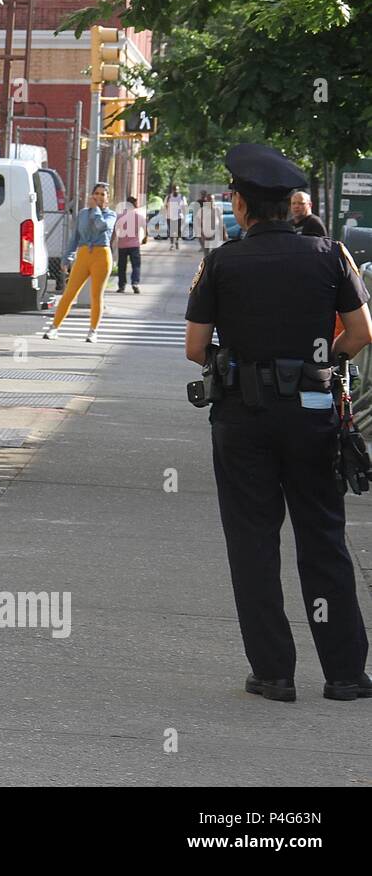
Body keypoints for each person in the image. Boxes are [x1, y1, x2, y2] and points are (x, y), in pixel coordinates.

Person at [185, 142, 372, 703]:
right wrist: (321, 361)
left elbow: (196, 349)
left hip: (242, 418)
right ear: (290, 205)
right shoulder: (330, 254)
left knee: (253, 543)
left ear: (241, 207)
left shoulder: (221, 261)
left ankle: (274, 673)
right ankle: (345, 674)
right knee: (323, 538)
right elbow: (362, 333)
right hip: (313, 413)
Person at [43, 182, 117, 343]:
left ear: (107, 198)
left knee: (96, 295)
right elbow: (75, 237)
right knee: (69, 293)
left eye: (102, 194)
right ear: (92, 195)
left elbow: (101, 226)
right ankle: (54, 328)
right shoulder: (83, 214)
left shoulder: (110, 215)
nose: (98, 196)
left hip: (101, 255)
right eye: (96, 193)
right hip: (83, 254)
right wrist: (67, 257)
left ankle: (93, 331)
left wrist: (96, 210)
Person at [113, 194, 147, 293]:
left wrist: (113, 241)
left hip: (122, 245)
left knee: (122, 266)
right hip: (134, 245)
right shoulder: (139, 217)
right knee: (136, 265)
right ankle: (135, 283)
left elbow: (115, 230)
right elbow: (145, 228)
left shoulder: (119, 217)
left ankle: (121, 286)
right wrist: (145, 238)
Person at [192, 190, 224, 255]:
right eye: (209, 200)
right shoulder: (202, 210)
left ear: (214, 200)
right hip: (205, 234)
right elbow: (197, 221)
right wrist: (201, 233)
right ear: (206, 201)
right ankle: (208, 264)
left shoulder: (217, 209)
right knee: (206, 254)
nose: (210, 201)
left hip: (216, 234)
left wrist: (224, 232)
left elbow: (221, 221)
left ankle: (213, 264)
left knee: (215, 252)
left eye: (211, 199)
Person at [164, 184, 187, 250]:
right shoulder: (168, 197)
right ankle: (172, 245)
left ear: (178, 190)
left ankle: (177, 241)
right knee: (171, 231)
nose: (176, 191)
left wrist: (184, 216)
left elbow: (184, 207)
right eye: (174, 189)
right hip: (170, 216)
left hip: (179, 217)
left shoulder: (182, 197)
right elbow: (165, 206)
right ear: (172, 190)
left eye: (177, 189)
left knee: (178, 230)